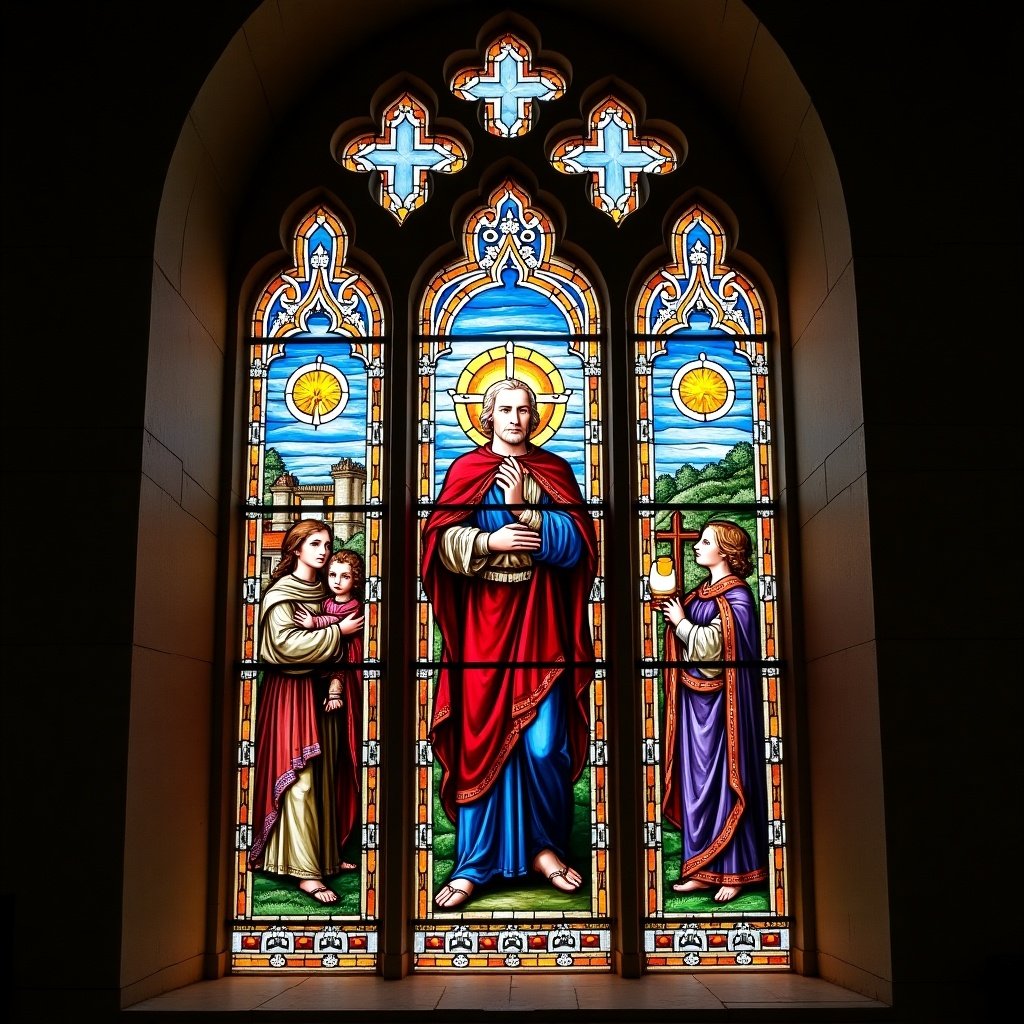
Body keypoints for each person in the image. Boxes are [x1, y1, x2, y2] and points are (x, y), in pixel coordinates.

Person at [422, 378, 599, 909]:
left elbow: (580, 549)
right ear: (486, 415)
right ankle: (473, 865)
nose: (516, 418)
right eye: (505, 409)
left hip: (541, 623)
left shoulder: (555, 472)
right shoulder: (465, 472)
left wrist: (527, 510)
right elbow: (435, 545)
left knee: (544, 744)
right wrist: (486, 540)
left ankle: (546, 848)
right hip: (481, 630)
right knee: (480, 742)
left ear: (537, 415)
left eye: (525, 409)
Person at [247, 519, 365, 904]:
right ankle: (303, 872)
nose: (323, 551)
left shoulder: (325, 591)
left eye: (328, 544)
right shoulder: (281, 594)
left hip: (323, 696)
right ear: (295, 549)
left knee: (325, 776)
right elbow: (281, 648)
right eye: (314, 543)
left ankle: (324, 857)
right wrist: (337, 634)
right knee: (301, 779)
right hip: (290, 693)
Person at [659, 519, 768, 902]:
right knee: (695, 785)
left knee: (725, 782)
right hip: (692, 704)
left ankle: (735, 872)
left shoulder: (737, 596)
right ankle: (701, 869)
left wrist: (682, 624)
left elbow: (717, 648)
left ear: (725, 551)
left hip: (726, 710)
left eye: (705, 542)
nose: (695, 547)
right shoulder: (698, 593)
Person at [292, 548, 367, 873]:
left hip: (345, 690)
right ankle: (324, 853)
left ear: (357, 580)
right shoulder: (323, 603)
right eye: (333, 575)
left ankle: (336, 847)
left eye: (345, 576)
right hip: (319, 690)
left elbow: (343, 624)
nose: (337, 581)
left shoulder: (354, 607)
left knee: (341, 767)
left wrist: (316, 623)